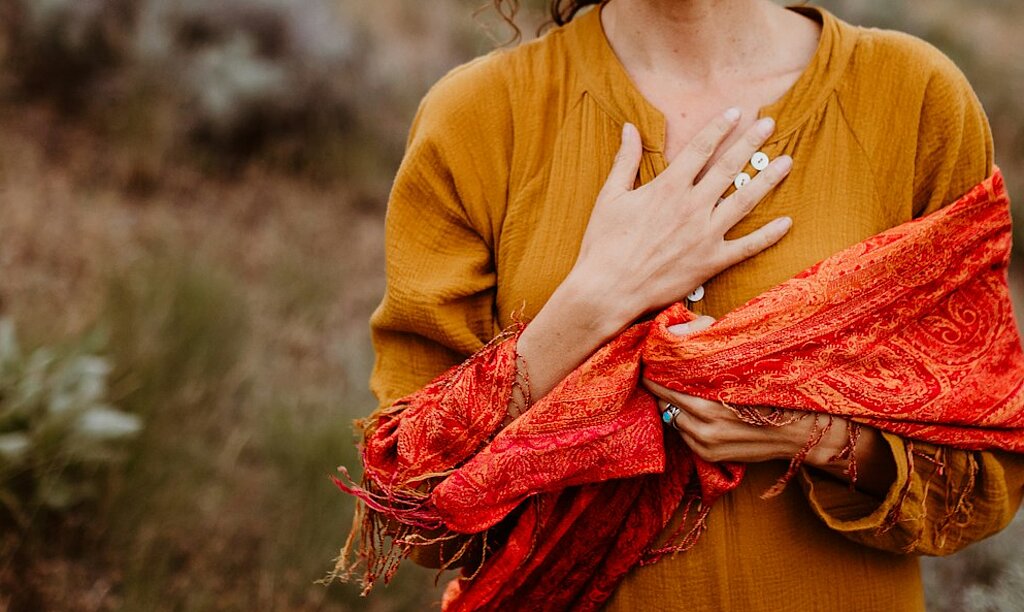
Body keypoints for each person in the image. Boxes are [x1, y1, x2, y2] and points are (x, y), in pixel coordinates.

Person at [363, 0, 1024, 609]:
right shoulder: (478, 118)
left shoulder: (911, 98)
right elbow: (411, 509)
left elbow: (987, 475)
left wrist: (812, 438)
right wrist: (591, 305)